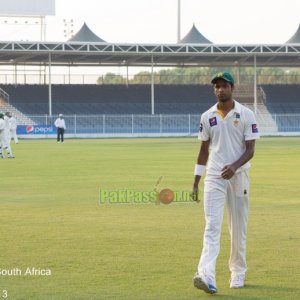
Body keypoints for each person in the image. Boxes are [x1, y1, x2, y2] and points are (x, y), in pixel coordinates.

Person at [192, 72, 259, 294]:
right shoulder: (207, 116)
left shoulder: (246, 114)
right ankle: (205, 275)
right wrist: (196, 181)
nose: (220, 89)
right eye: (217, 87)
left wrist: (234, 166)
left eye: (224, 86)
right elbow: (203, 151)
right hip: (214, 177)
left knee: (237, 228)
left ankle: (237, 272)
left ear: (232, 88)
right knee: (212, 226)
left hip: (239, 177)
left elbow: (250, 150)